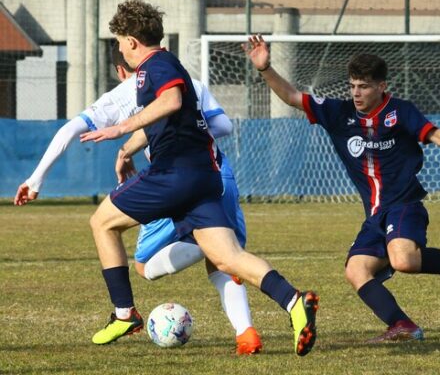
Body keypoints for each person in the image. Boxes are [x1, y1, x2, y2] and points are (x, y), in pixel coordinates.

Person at [79, 0, 318, 356]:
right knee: (228, 258)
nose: (119, 49)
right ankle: (294, 301)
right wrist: (128, 147)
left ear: (131, 41)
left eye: (118, 41)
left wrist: (121, 127)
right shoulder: (163, 67)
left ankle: (125, 313)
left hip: (174, 174)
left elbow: (172, 101)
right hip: (204, 177)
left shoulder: (154, 66)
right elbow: (168, 116)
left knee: (102, 223)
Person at [243, 34, 440, 342]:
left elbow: (431, 132)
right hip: (374, 214)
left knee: (404, 260)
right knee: (356, 270)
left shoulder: (401, 111)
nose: (357, 92)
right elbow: (291, 96)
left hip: (404, 204)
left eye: (364, 86)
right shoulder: (338, 112)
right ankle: (402, 325)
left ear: (382, 86)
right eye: (353, 85)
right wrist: (265, 69)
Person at [14, 44, 263, 355]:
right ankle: (247, 333)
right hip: (216, 173)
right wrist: (133, 148)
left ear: (122, 70)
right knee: (222, 261)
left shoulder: (126, 92)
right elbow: (222, 124)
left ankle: (191, 257)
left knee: (144, 264)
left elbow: (70, 130)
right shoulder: (190, 83)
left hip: (173, 179)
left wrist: (35, 180)